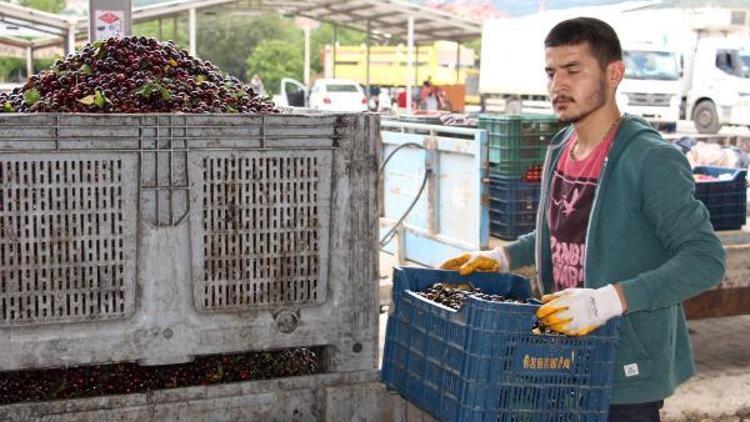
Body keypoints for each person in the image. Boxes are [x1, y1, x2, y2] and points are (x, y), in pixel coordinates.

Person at [440, 17, 725, 422]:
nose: (558, 85)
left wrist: (607, 301)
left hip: (626, 365)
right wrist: (504, 257)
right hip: (565, 354)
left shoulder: (649, 159)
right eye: (551, 72)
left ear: (614, 73)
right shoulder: (560, 148)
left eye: (573, 70)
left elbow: (705, 259)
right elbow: (565, 232)